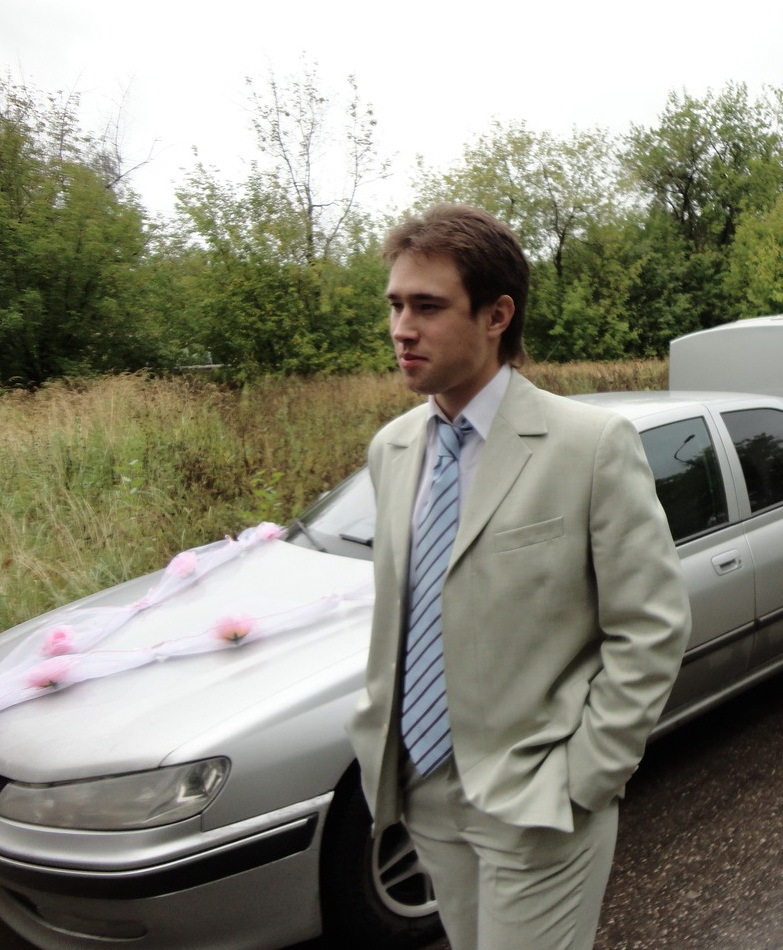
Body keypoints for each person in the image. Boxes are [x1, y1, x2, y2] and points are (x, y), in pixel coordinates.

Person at [347, 204, 691, 950]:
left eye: (427, 307)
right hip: (424, 791)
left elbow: (651, 625)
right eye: (396, 305)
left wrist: (587, 774)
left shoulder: (588, 445)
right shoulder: (392, 450)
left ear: (496, 315)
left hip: (540, 798)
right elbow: (409, 611)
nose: (401, 329)